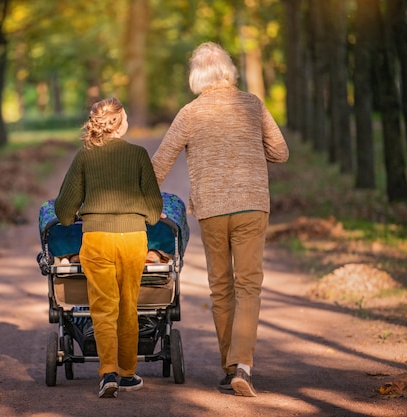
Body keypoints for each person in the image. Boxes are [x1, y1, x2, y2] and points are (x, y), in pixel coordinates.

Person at [151, 42, 289, 397]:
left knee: (221, 288)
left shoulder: (189, 112)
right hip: (251, 206)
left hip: (212, 210)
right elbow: (280, 152)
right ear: (229, 70)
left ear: (197, 76)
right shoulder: (252, 104)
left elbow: (160, 164)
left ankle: (230, 369)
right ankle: (243, 365)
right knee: (248, 287)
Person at [54, 97, 163, 398]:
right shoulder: (139, 155)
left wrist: (81, 210)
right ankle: (128, 374)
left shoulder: (84, 157)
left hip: (97, 239)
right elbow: (154, 212)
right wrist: (137, 208)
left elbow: (63, 213)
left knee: (103, 309)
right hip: (132, 239)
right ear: (119, 123)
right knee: (128, 307)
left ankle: (108, 374)